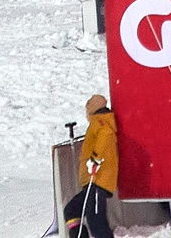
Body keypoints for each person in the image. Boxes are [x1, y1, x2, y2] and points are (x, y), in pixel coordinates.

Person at [63, 94, 117, 238]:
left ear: (92, 109)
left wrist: (95, 159)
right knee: (71, 210)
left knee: (96, 220)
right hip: (92, 181)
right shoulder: (99, 122)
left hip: (98, 180)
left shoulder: (100, 121)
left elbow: (106, 134)